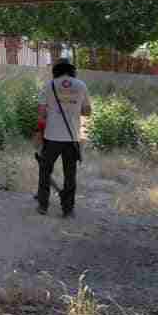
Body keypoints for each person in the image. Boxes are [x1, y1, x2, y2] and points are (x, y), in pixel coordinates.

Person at [35, 59, 91, 218]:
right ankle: (68, 209)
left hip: (52, 136)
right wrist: (72, 108)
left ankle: (43, 205)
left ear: (56, 70)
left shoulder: (49, 85)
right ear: (72, 70)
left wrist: (50, 118)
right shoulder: (81, 86)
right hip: (72, 137)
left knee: (45, 171)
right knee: (70, 175)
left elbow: (42, 113)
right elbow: (87, 112)